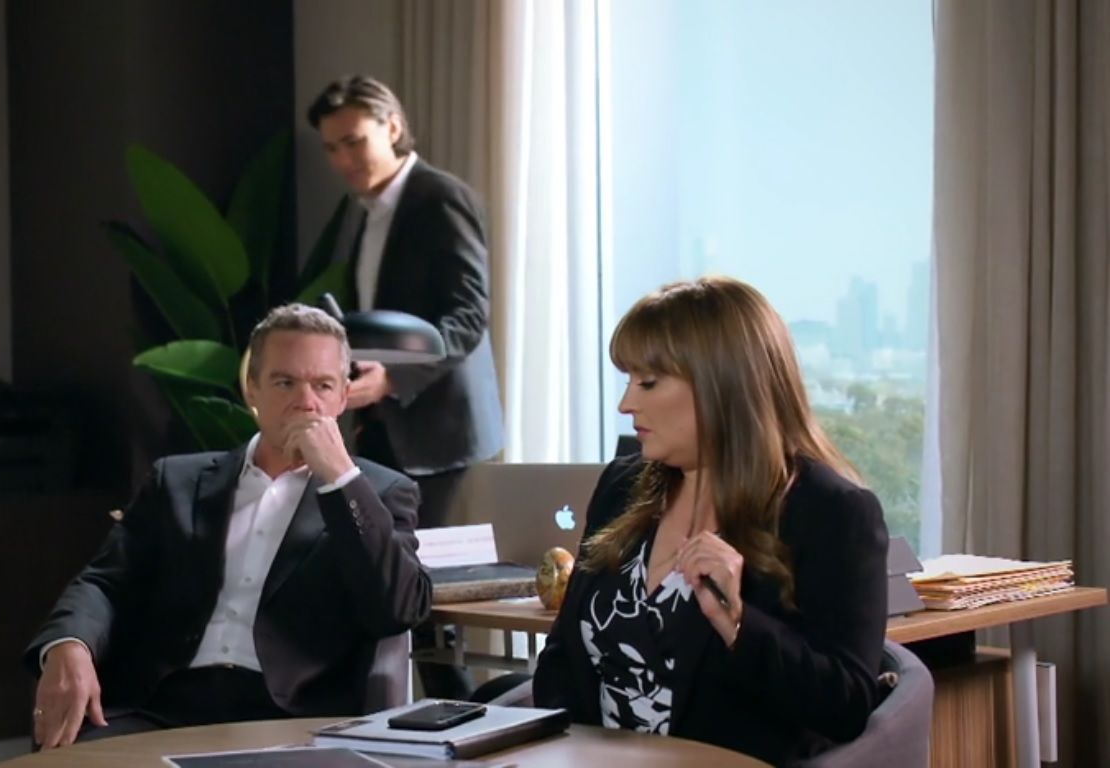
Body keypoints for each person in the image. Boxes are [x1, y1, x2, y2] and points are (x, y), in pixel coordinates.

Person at [25, 304, 432, 749]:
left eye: (323, 385)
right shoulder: (176, 480)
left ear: (342, 396)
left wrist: (340, 479)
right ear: (251, 388)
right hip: (161, 705)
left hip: (290, 714)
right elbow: (105, 582)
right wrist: (70, 643)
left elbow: (398, 608)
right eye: (285, 382)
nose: (306, 401)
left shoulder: (380, 492)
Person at [532, 277, 889, 766]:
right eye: (628, 380)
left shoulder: (830, 511)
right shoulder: (620, 487)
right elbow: (560, 660)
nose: (626, 404)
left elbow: (845, 705)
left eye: (648, 382)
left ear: (721, 387)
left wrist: (739, 624)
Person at [307, 74, 504, 698]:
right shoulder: (363, 213)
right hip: (382, 423)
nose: (343, 160)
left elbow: (469, 316)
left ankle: (460, 715)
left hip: (439, 430)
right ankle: (418, 713)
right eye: (331, 148)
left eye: (353, 142)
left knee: (419, 590)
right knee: (384, 581)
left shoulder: (441, 198)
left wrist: (393, 377)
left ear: (392, 127)